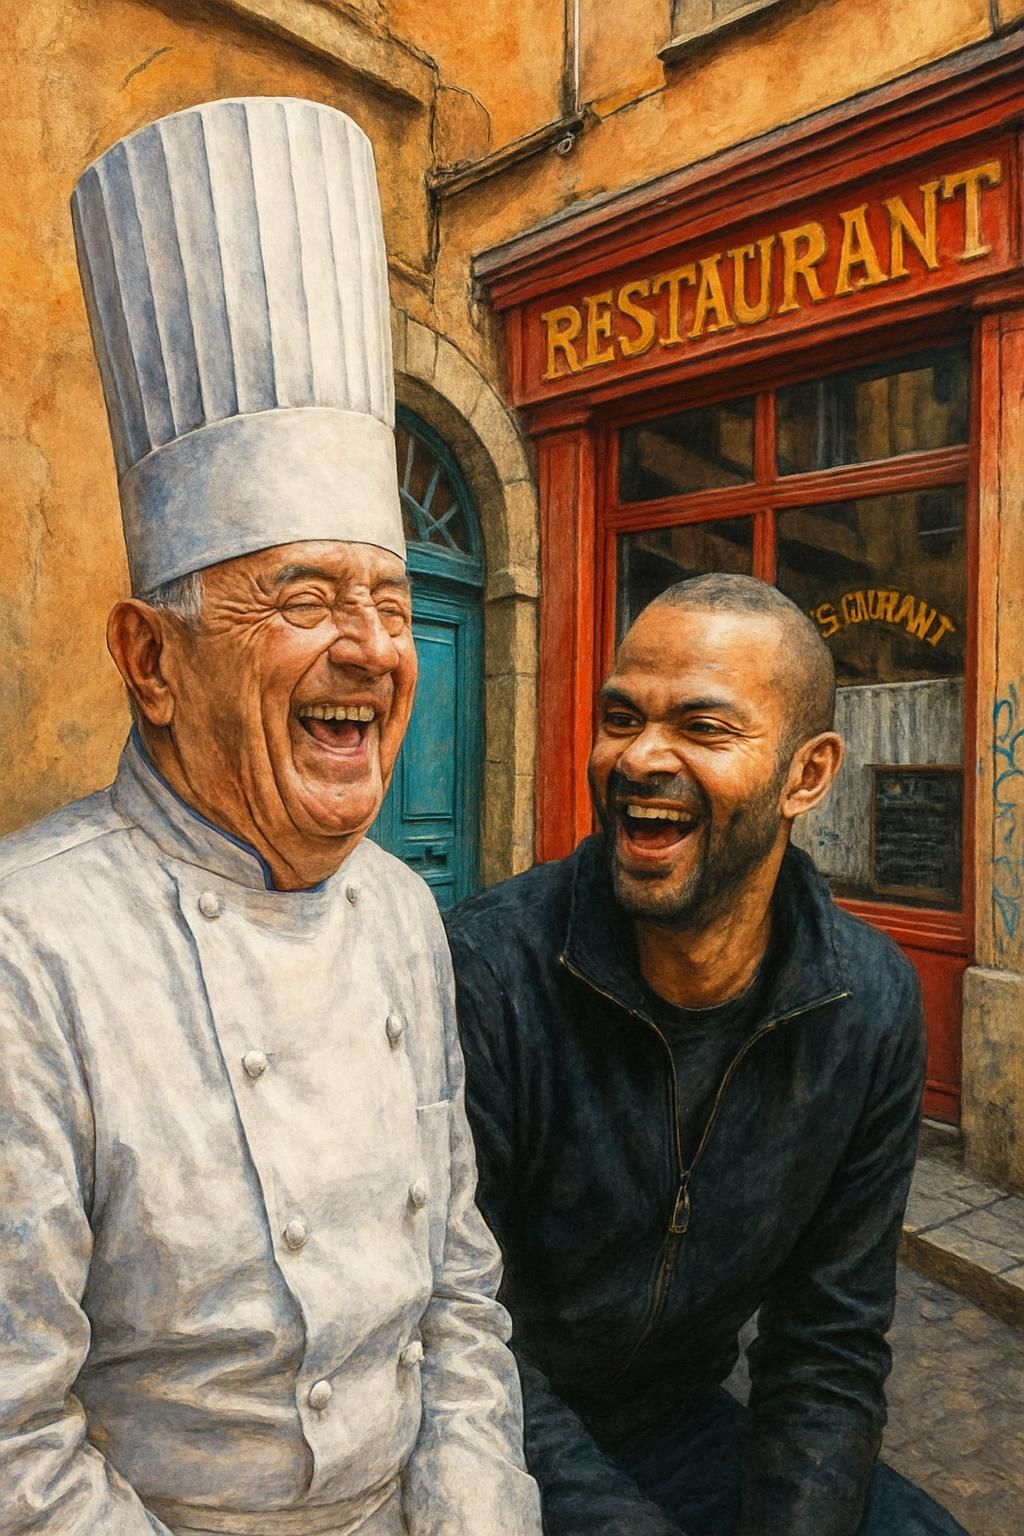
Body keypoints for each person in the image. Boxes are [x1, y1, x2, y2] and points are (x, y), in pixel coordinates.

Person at [0, 98, 540, 1536]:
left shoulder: (406, 914)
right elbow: (13, 1446)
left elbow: (459, 1299)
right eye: (303, 596)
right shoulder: (28, 954)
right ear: (151, 660)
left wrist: (481, 1516)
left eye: (386, 596)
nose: (373, 645)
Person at [446, 573, 967, 1536]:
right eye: (620, 717)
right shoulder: (488, 970)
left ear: (806, 776)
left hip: (681, 1428)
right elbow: (458, 1332)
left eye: (704, 727)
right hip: (483, 1428)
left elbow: (828, 1344)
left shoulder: (869, 1004)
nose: (641, 756)